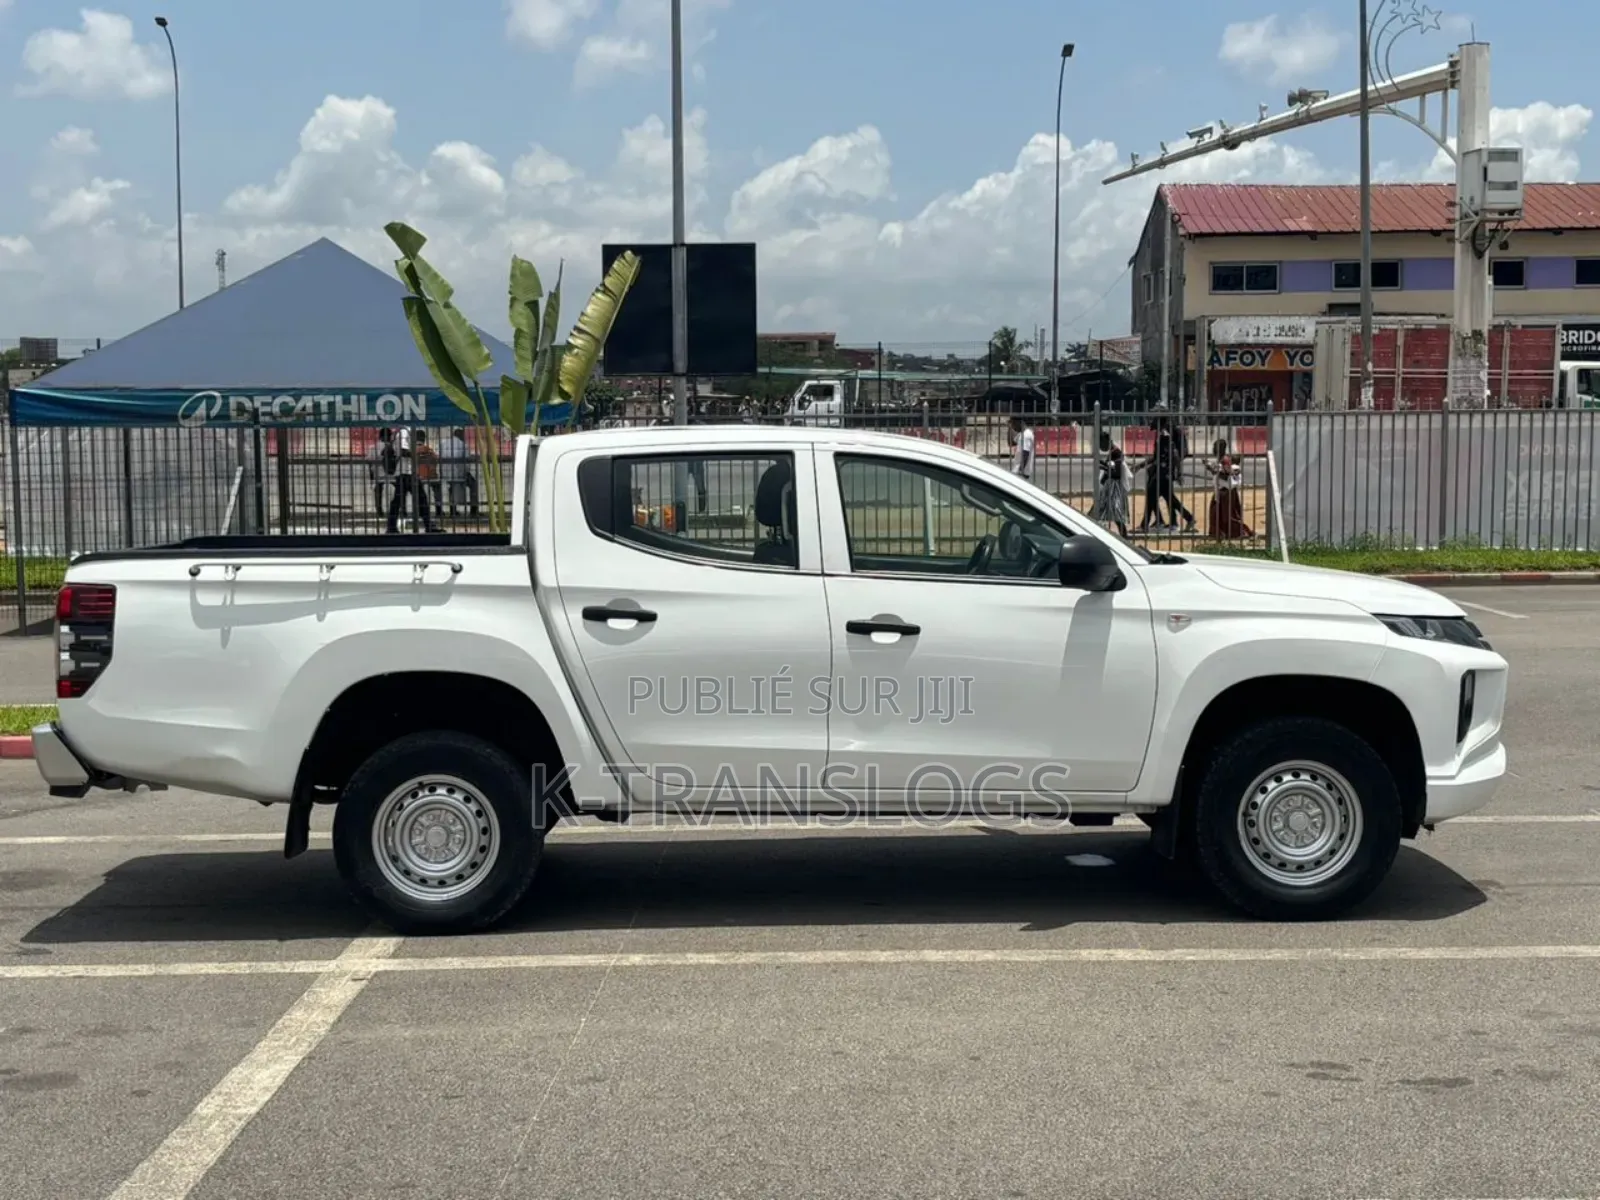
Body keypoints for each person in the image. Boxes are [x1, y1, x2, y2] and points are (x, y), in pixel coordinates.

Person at [386, 426, 436, 533]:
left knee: (398, 501)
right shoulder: (404, 432)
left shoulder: (404, 432)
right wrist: (418, 454)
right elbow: (403, 451)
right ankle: (429, 526)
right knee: (421, 499)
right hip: (406, 472)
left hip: (406, 472)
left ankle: (391, 527)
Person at [1206, 438, 1254, 539]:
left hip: (1226, 492)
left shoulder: (1225, 459)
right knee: (1215, 513)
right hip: (1221, 491)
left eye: (1215, 447)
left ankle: (1244, 532)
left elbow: (1227, 474)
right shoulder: (1221, 459)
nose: (1213, 449)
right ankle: (1219, 534)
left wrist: (1213, 470)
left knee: (1228, 517)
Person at [1090, 431, 1131, 539]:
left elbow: (1117, 472)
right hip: (1109, 487)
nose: (1101, 446)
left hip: (1114, 488)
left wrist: (1104, 467)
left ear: (1107, 441)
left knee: (1116, 514)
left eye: (1101, 443)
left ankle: (1124, 537)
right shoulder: (1113, 451)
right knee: (1099, 511)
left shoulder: (1116, 452)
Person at [443, 427, 479, 520]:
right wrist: (465, 472)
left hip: (446, 473)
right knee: (473, 484)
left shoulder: (444, 443)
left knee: (451, 488)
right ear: (460, 435)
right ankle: (474, 509)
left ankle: (453, 510)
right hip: (459, 472)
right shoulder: (463, 445)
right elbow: (467, 461)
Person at [366, 428, 396, 522]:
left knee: (378, 490)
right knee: (399, 490)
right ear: (390, 437)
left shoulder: (373, 447)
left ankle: (379, 510)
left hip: (378, 474)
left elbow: (369, 463)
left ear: (379, 436)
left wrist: (371, 478)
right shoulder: (394, 447)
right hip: (392, 474)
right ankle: (401, 509)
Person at [1010, 415, 1035, 482]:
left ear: (1020, 422)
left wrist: (1020, 471)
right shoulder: (1022, 434)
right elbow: (1011, 443)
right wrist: (1010, 429)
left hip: (1021, 473)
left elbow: (1025, 453)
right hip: (1019, 471)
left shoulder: (1026, 435)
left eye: (1014, 424)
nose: (1013, 426)